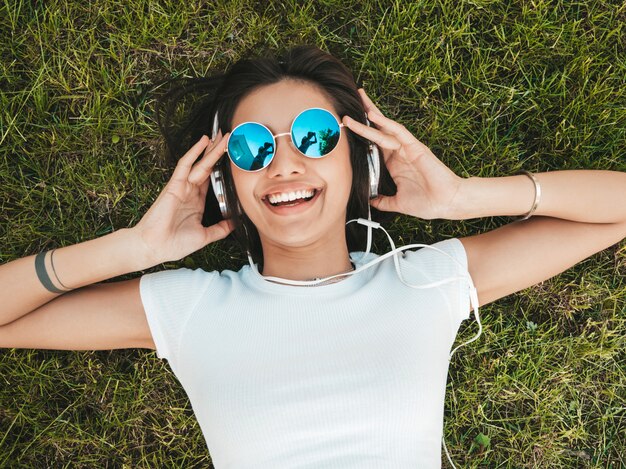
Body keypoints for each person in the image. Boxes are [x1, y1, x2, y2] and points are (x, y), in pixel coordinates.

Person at [1, 45, 625, 469]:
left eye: (315, 137)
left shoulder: (425, 281)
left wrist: (462, 197)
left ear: (362, 163)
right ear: (226, 188)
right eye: (249, 148)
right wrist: (132, 247)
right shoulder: (187, 308)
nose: (284, 163)